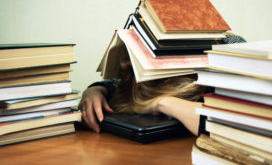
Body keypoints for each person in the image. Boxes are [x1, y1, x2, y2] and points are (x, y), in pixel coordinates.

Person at [79, 35, 246, 136]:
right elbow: (116, 84)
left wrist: (163, 102)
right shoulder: (142, 82)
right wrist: (96, 90)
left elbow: (233, 123)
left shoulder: (227, 53)